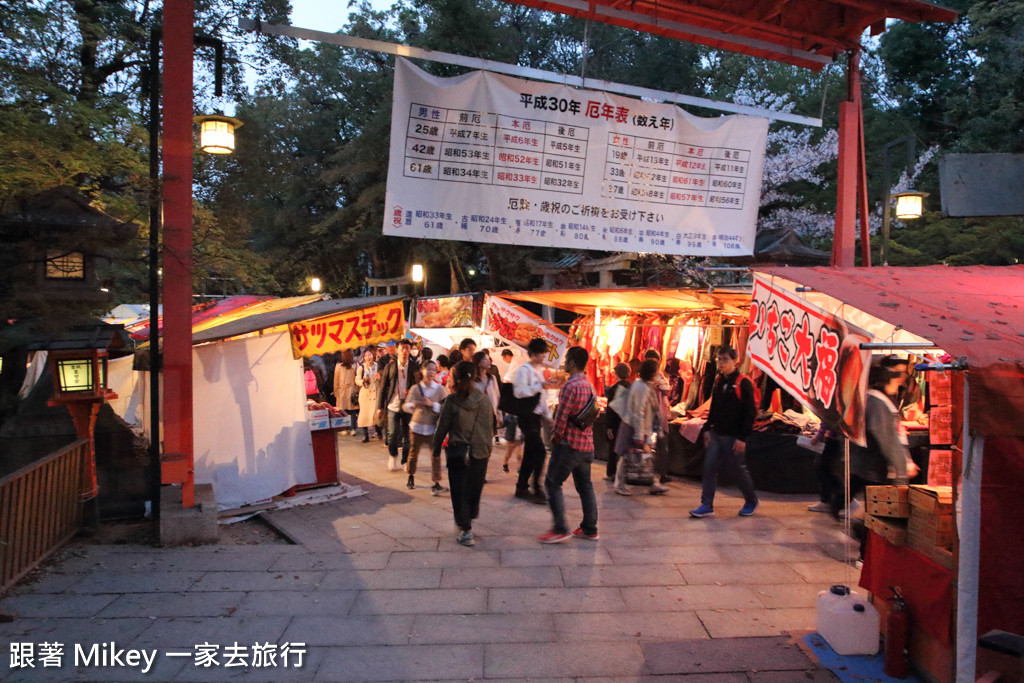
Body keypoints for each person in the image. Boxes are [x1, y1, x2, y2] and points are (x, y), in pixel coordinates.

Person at [848, 364, 920, 556]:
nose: (903, 378)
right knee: (877, 514)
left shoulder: (877, 399)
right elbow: (885, 437)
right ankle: (866, 554)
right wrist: (902, 465)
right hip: (876, 468)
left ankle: (862, 536)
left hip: (871, 466)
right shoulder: (878, 402)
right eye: (899, 374)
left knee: (874, 512)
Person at [539, 346, 599, 543]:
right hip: (587, 445)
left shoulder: (569, 386)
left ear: (573, 362)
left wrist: (555, 437)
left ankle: (560, 528)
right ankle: (590, 528)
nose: (564, 362)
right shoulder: (590, 386)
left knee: (552, 482)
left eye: (567, 359)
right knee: (585, 486)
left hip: (569, 445)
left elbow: (561, 417)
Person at [689, 346, 759, 518]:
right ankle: (706, 504)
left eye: (725, 359)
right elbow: (714, 407)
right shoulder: (719, 381)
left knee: (737, 470)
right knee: (709, 468)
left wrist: (742, 438)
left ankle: (751, 500)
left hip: (733, 436)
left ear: (735, 361)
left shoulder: (743, 382)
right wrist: (707, 428)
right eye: (719, 359)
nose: (721, 363)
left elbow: (750, 412)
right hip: (716, 434)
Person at [432, 361, 495, 547]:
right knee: (474, 490)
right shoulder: (484, 400)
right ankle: (469, 516)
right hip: (481, 453)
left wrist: (436, 450)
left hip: (459, 452)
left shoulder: (451, 400)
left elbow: (442, 428)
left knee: (459, 493)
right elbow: (490, 426)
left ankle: (466, 530)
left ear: (456, 379)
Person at [613, 359, 669, 496]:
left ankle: (653, 482)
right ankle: (619, 484)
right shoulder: (641, 387)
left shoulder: (643, 384)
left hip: (641, 426)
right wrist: (639, 434)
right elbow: (638, 412)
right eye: (657, 371)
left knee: (647, 455)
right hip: (634, 426)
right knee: (627, 455)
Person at [513, 338, 554, 504]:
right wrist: (540, 386)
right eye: (542, 352)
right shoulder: (525, 370)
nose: (544, 355)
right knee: (540, 452)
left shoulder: (538, 370)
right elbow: (519, 392)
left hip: (536, 417)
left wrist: (548, 416)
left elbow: (542, 398)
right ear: (534, 354)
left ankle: (522, 487)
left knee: (530, 453)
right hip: (526, 416)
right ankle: (537, 487)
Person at [403, 360, 448, 493]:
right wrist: (413, 405)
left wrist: (432, 404)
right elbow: (405, 406)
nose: (431, 372)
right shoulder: (416, 388)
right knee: (413, 453)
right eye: (428, 369)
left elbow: (445, 407)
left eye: (434, 370)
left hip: (432, 427)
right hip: (417, 425)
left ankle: (436, 482)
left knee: (435, 455)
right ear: (422, 371)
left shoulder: (440, 389)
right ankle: (411, 476)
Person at [377, 339, 419, 472]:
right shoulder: (390, 367)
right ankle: (393, 455)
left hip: (408, 406)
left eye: (407, 349)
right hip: (392, 405)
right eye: (402, 349)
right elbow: (383, 387)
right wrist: (380, 407)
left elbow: (419, 386)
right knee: (392, 434)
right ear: (397, 350)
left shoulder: (414, 366)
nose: (405, 351)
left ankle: (404, 460)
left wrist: (411, 390)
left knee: (407, 436)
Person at [644, 349, 674, 487]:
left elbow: (667, 390)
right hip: (648, 416)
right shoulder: (645, 378)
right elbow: (666, 389)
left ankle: (661, 474)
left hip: (658, 416)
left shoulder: (658, 376)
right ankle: (650, 475)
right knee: (650, 446)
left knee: (661, 446)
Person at [603, 362, 631, 482]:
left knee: (613, 449)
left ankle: (612, 473)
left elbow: (610, 409)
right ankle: (625, 472)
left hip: (615, 423)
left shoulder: (613, 389)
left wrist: (609, 426)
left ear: (617, 374)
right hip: (627, 422)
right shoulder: (631, 387)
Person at [355, 349, 382, 442]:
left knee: (375, 414)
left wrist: (380, 377)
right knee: (364, 414)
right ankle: (366, 435)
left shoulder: (377, 365)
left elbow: (382, 377)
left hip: (375, 392)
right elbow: (357, 380)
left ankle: (379, 433)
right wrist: (362, 381)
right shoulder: (361, 368)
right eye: (366, 356)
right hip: (365, 394)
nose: (368, 357)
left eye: (369, 355)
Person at [472, 350, 500, 428]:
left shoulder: (492, 378)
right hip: (477, 415)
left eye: (489, 359)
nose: (489, 361)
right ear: (478, 363)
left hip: (491, 413)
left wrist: (499, 414)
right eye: (486, 359)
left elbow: (497, 396)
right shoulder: (472, 380)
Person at [333, 350, 358, 435]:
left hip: (342, 390)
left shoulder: (338, 366)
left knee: (343, 411)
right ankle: (353, 429)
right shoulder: (355, 365)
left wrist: (335, 391)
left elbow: (336, 380)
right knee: (353, 411)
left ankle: (345, 428)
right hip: (353, 390)